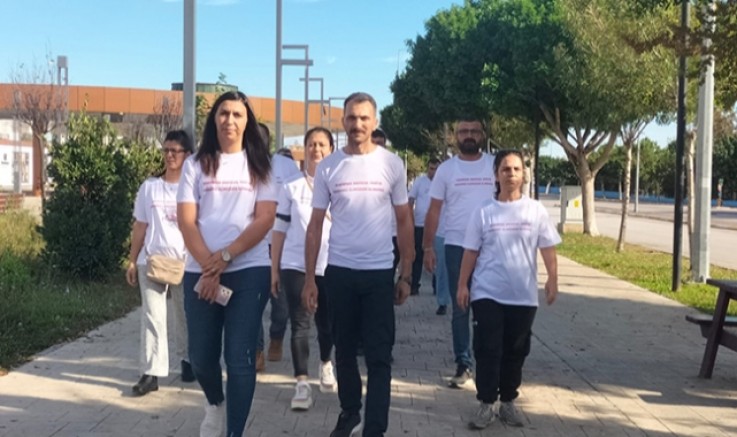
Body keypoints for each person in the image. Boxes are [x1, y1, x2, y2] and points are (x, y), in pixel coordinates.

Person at [303, 92, 414, 437]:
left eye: (364, 118)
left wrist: (406, 273)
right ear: (343, 121)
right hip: (340, 272)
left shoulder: (391, 164)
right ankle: (350, 412)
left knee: (379, 356)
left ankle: (375, 428)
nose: (357, 124)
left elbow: (404, 221)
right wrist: (310, 279)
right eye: (351, 117)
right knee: (345, 351)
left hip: (379, 272)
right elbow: (315, 224)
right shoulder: (329, 167)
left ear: (374, 122)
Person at [177, 91, 276, 437]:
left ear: (247, 121)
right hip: (199, 270)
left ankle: (235, 432)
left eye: (237, 114)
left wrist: (224, 258)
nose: (229, 120)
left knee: (239, 358)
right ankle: (215, 402)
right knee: (201, 358)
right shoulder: (195, 164)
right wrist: (209, 267)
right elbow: (187, 221)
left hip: (248, 271)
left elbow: (264, 219)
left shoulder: (261, 165)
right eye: (223, 113)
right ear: (214, 119)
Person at [456, 150, 560, 429]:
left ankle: (508, 402)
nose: (511, 174)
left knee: (516, 351)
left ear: (524, 174)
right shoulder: (484, 211)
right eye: (505, 169)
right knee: (488, 349)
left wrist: (553, 279)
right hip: (487, 292)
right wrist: (463, 284)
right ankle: (486, 403)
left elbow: (547, 247)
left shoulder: (535, 210)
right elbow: (471, 251)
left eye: (516, 169)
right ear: (496, 175)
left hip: (523, 295)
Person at [422, 117, 495, 388]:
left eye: (474, 131)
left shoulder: (494, 165)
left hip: (491, 247)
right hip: (456, 246)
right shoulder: (446, 170)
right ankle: (463, 363)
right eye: (464, 131)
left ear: (482, 135)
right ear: (455, 136)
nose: (469, 135)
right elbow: (434, 210)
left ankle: (488, 362)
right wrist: (427, 247)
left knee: (489, 308)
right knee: (461, 307)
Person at [271, 126, 337, 412]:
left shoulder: (339, 185)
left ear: (331, 149)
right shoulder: (291, 187)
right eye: (311, 144)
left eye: (322, 144)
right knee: (300, 323)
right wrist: (274, 268)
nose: (316, 149)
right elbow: (279, 229)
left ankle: (325, 362)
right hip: (295, 264)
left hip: (331, 264)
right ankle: (301, 383)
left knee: (327, 323)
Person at [126, 130, 194, 396]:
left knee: (184, 314)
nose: (169, 155)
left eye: (175, 151)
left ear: (187, 155)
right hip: (152, 261)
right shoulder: (150, 187)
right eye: (166, 150)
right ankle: (151, 372)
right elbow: (140, 225)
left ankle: (187, 359)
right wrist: (132, 260)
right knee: (153, 317)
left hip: (184, 263)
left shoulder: (193, 189)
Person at [256, 123, 301, 371]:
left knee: (280, 301)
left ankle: (276, 336)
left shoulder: (285, 165)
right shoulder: (241, 165)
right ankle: (256, 350)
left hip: (279, 243)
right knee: (251, 301)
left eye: (261, 137)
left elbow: (299, 200)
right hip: (250, 244)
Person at [407, 158, 440, 296]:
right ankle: (414, 285)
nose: (433, 172)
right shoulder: (420, 182)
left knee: (437, 257)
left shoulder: (442, 182)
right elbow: (410, 199)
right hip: (420, 225)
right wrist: (410, 218)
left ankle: (437, 287)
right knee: (418, 257)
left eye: (436, 169)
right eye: (431, 168)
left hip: (437, 226)